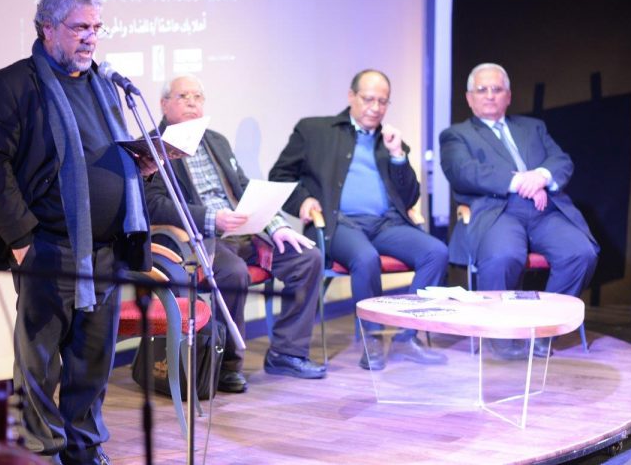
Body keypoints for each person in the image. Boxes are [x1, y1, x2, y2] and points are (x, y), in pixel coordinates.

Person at [0, 0, 155, 465]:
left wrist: (141, 166)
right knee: (40, 363)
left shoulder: (105, 86)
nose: (90, 37)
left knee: (92, 361)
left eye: (97, 28)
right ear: (46, 28)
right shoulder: (12, 85)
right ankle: (40, 450)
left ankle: (84, 448)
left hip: (105, 249)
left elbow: (108, 154)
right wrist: (22, 241)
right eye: (80, 28)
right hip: (48, 247)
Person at [145, 74, 327, 393]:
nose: (192, 103)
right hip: (197, 238)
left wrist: (277, 226)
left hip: (244, 231)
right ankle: (228, 365)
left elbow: (243, 188)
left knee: (307, 258)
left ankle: (287, 353)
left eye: (198, 97)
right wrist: (213, 218)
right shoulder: (151, 147)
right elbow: (153, 204)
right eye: (183, 96)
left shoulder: (215, 140)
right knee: (234, 272)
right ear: (164, 104)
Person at [269, 69, 449, 371]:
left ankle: (407, 337)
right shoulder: (315, 130)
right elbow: (280, 176)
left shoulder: (390, 142)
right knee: (366, 258)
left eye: (382, 101)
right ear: (351, 96)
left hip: (386, 224)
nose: (375, 108)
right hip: (338, 223)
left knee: (436, 252)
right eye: (368, 99)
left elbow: (408, 198)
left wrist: (398, 155)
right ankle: (372, 340)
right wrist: (303, 201)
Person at [440, 62, 598, 359]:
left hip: (544, 208)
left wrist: (541, 176)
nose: (490, 95)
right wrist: (520, 182)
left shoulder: (533, 127)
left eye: (497, 89)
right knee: (503, 257)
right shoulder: (457, 135)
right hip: (498, 210)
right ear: (469, 98)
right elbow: (463, 172)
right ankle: (500, 336)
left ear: (508, 96)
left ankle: (544, 331)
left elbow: (561, 161)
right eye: (482, 90)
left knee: (581, 253)